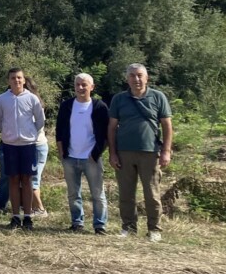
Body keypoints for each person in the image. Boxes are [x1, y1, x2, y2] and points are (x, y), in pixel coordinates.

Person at [108, 64, 173, 241]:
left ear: (146, 78)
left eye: (139, 75)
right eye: (132, 76)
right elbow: (112, 128)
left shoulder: (158, 97)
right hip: (124, 153)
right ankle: (128, 228)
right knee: (126, 194)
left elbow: (167, 125)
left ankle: (154, 230)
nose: (136, 79)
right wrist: (112, 153)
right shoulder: (119, 99)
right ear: (127, 79)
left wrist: (166, 151)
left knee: (152, 193)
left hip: (150, 152)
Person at [0, 67, 46, 230]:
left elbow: (40, 120)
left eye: (19, 78)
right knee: (13, 180)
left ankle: (28, 217)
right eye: (13, 78)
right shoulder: (2, 99)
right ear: (8, 81)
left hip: (28, 145)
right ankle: (15, 216)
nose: (16, 80)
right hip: (10, 145)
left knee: (27, 180)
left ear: (24, 80)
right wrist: (7, 133)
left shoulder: (32, 98)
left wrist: (29, 133)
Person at [56, 73, 110, 234]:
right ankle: (77, 223)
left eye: (84, 85)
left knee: (97, 194)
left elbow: (106, 135)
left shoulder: (99, 106)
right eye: (77, 84)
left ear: (91, 87)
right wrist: (61, 154)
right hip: (70, 157)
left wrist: (96, 154)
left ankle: (100, 225)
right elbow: (59, 132)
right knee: (73, 194)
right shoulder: (66, 106)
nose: (80, 88)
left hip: (91, 158)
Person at [24, 77, 50, 217]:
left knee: (33, 178)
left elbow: (36, 126)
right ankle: (35, 208)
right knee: (32, 178)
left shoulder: (34, 105)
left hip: (36, 146)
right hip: (34, 145)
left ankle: (40, 209)